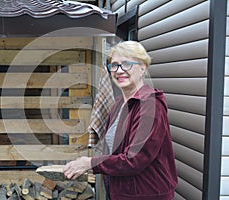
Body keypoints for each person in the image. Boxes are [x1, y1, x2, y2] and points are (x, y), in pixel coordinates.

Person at [63, 41, 178, 200]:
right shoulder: (118, 105)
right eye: (114, 65)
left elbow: (134, 159)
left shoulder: (150, 106)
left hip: (147, 194)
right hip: (123, 193)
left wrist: (90, 163)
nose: (119, 70)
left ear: (143, 67)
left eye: (126, 64)